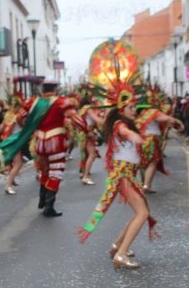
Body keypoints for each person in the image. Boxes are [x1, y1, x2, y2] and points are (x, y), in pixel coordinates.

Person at [77, 82, 158, 269]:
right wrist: (133, 136)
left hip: (128, 174)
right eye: (130, 107)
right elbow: (124, 132)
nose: (134, 109)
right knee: (143, 213)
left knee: (140, 212)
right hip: (123, 175)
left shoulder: (127, 123)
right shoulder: (120, 124)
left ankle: (117, 246)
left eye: (134, 106)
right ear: (121, 109)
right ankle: (120, 254)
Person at [0, 78, 86, 217]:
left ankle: (42, 200)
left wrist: (32, 126)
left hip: (39, 142)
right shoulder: (61, 101)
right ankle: (49, 206)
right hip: (55, 142)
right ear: (55, 88)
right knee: (55, 172)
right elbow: (77, 120)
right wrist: (82, 128)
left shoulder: (33, 101)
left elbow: (20, 119)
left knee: (44, 171)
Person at [136, 86, 183, 193]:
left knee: (143, 163)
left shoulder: (139, 113)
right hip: (151, 140)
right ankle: (146, 185)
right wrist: (179, 124)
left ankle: (145, 184)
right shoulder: (153, 112)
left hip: (140, 139)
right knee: (153, 162)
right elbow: (168, 119)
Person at [0, 92, 24, 194]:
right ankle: (8, 185)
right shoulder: (18, 116)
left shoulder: (7, 115)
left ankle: (11, 181)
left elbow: (1, 128)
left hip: (8, 141)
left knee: (14, 163)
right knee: (18, 163)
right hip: (14, 141)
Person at [77, 96, 104, 185]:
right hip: (88, 133)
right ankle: (85, 177)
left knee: (86, 155)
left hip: (83, 133)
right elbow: (97, 120)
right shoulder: (88, 109)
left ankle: (84, 174)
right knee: (91, 155)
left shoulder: (81, 110)